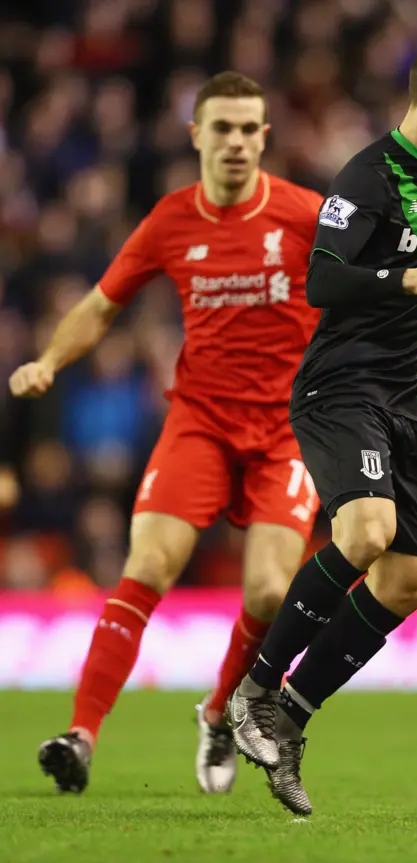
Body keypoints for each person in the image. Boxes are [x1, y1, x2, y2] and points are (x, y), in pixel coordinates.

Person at [8, 71, 323, 796]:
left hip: (286, 430)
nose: (237, 142)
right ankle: (80, 735)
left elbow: (364, 284)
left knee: (273, 593)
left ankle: (218, 711)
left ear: (264, 136)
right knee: (147, 564)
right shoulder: (172, 220)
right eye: (223, 128)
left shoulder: (305, 216)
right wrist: (50, 360)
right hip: (201, 423)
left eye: (250, 129)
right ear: (196, 136)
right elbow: (100, 304)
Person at [228, 37, 417, 816]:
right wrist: (407, 274)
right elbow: (321, 278)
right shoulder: (367, 176)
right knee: (366, 528)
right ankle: (254, 690)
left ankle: (291, 714)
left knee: (406, 580)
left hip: (400, 401)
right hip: (339, 388)